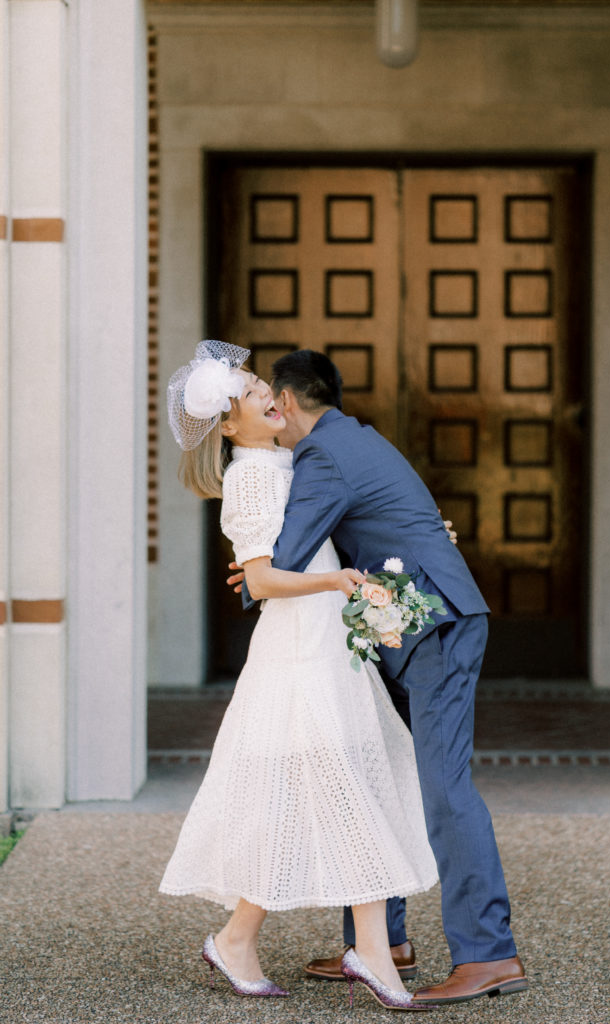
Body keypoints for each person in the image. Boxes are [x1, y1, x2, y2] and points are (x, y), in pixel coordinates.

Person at [230, 348, 529, 1006]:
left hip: (433, 627)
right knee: (380, 770)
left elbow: (283, 555)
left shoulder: (324, 455)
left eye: (269, 400)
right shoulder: (350, 439)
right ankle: (380, 942)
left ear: (286, 403)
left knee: (443, 787)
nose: (267, 411)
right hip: (402, 627)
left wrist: (254, 577)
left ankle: (488, 953)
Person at [159, 340, 438, 1012]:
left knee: (303, 797)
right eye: (258, 397)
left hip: (322, 646)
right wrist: (332, 580)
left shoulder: (284, 460)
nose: (273, 400)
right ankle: (366, 950)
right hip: (297, 653)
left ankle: (239, 938)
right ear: (230, 426)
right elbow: (260, 578)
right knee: (346, 786)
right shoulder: (251, 477)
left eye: (269, 392)